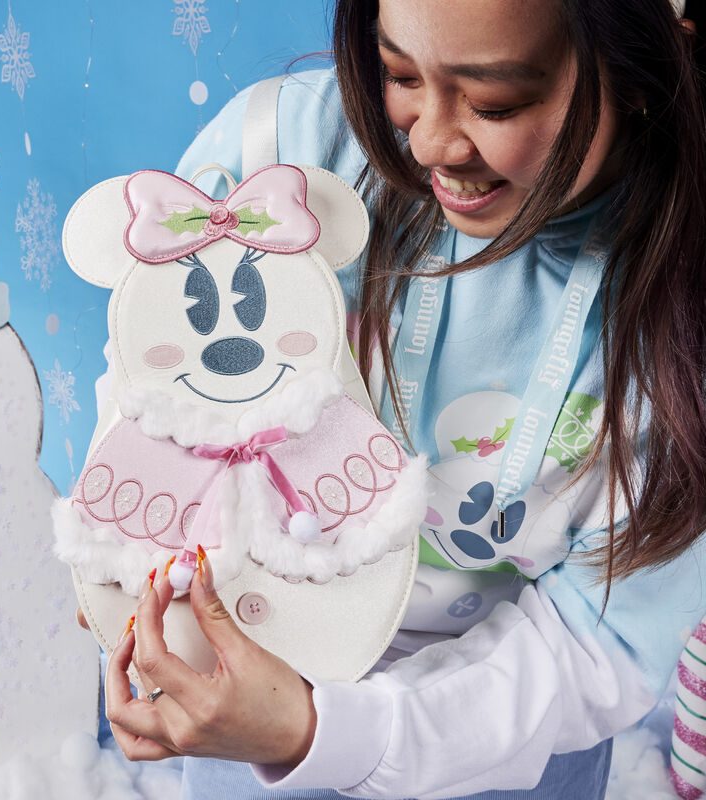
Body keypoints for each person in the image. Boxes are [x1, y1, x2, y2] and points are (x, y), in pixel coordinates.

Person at [100, 0, 706, 797]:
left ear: (637, 73)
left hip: (510, 743)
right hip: (249, 691)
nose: (428, 143)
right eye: (399, 74)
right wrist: (126, 562)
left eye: (496, 102)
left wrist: (325, 733)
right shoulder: (280, 159)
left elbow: (602, 641)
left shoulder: (683, 307)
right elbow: (158, 379)